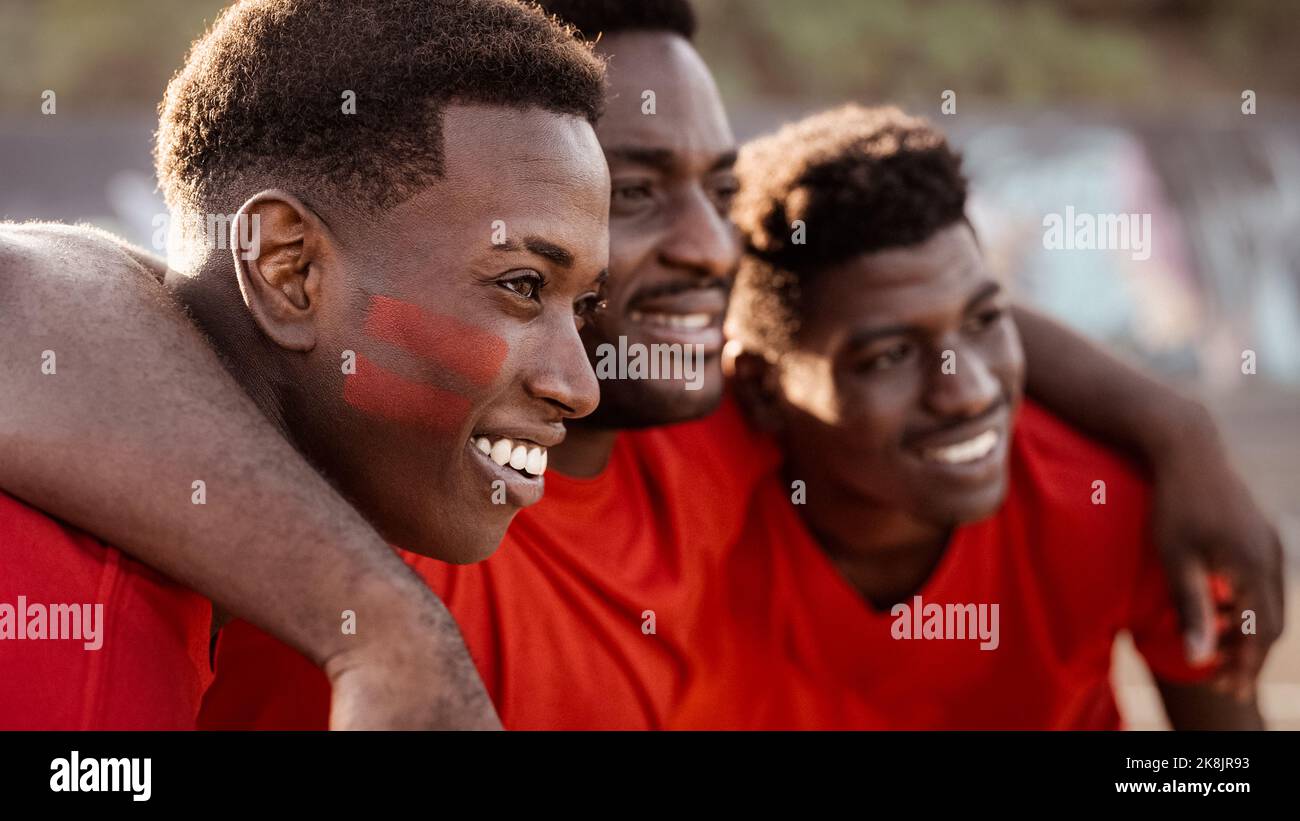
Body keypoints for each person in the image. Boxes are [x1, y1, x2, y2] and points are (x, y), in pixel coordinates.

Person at [2, 0, 1282, 729]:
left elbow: (898, 317)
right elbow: (47, 295)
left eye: (722, 190)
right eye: (632, 194)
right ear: (291, 267)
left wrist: (1177, 424)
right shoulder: (284, 512)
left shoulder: (725, 427)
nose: (714, 248)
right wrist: (392, 632)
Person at [0, 0, 612, 729]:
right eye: (522, 286)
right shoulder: (75, 645)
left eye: (582, 306)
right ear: (288, 269)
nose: (579, 388)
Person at [672, 104, 1265, 729]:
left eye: (983, 321)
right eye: (890, 356)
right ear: (764, 389)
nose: (968, 393)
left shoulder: (1105, 502)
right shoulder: (683, 507)